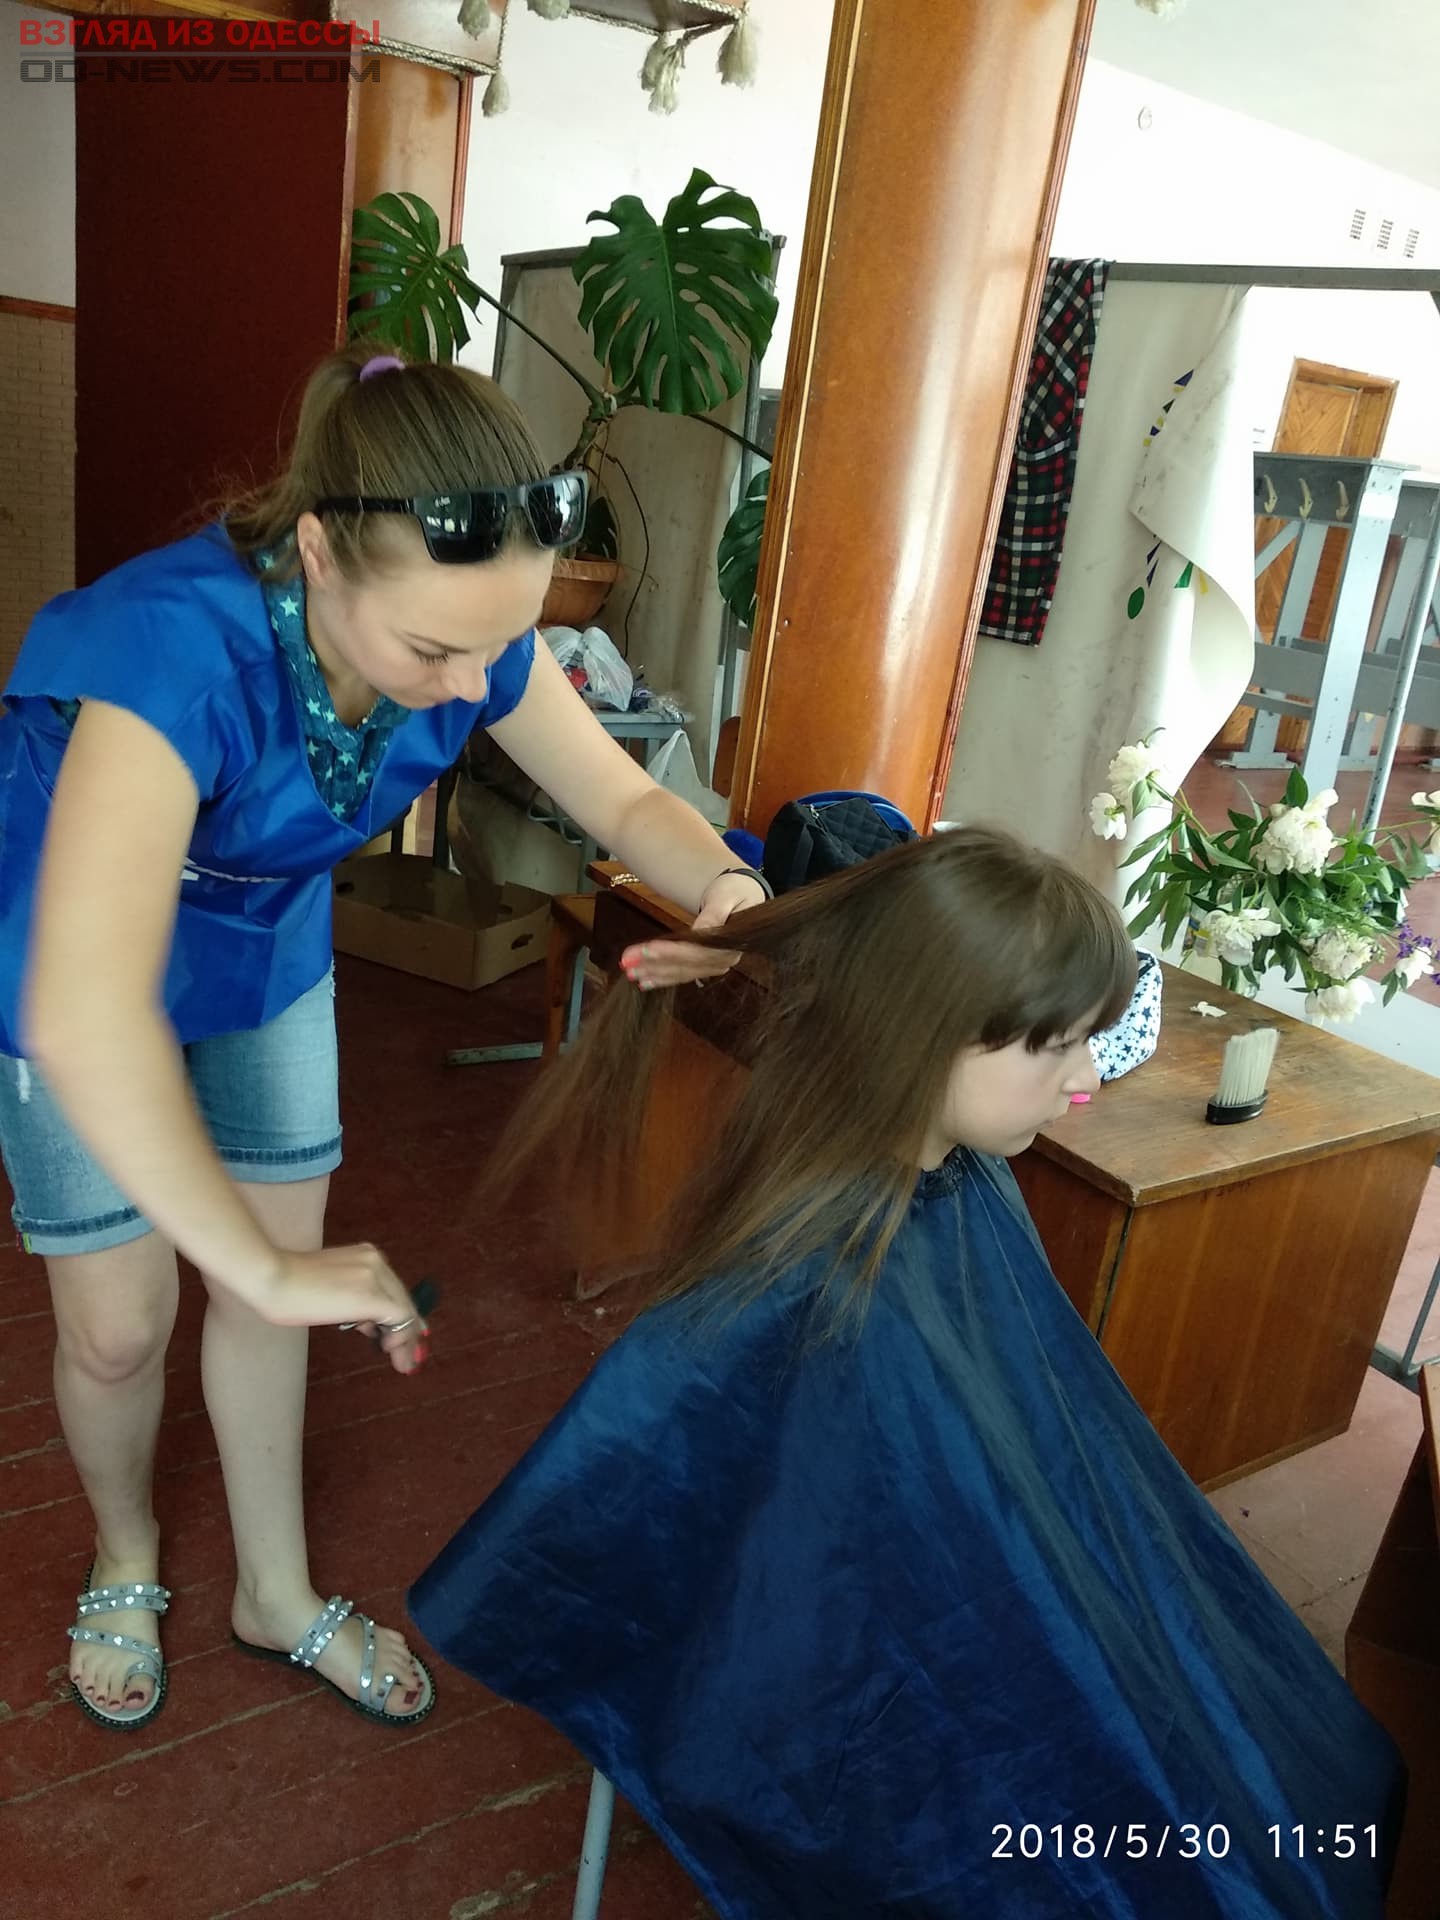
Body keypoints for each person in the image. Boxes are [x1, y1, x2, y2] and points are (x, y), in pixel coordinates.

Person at [410, 827, 1403, 1918]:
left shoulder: (957, 1184)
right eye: (1060, 1047)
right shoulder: (816, 1289)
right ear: (926, 1037)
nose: (1087, 1079)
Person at [0, 346, 768, 1733]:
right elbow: (85, 1005)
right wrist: (255, 1262)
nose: (470, 685)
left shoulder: (472, 635)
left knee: (274, 1289)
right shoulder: (173, 648)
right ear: (317, 553)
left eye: (496, 645)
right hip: (81, 943)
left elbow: (623, 802)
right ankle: (126, 1552)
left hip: (263, 938)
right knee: (119, 1329)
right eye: (433, 652)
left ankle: (274, 1591)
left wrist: (729, 893)